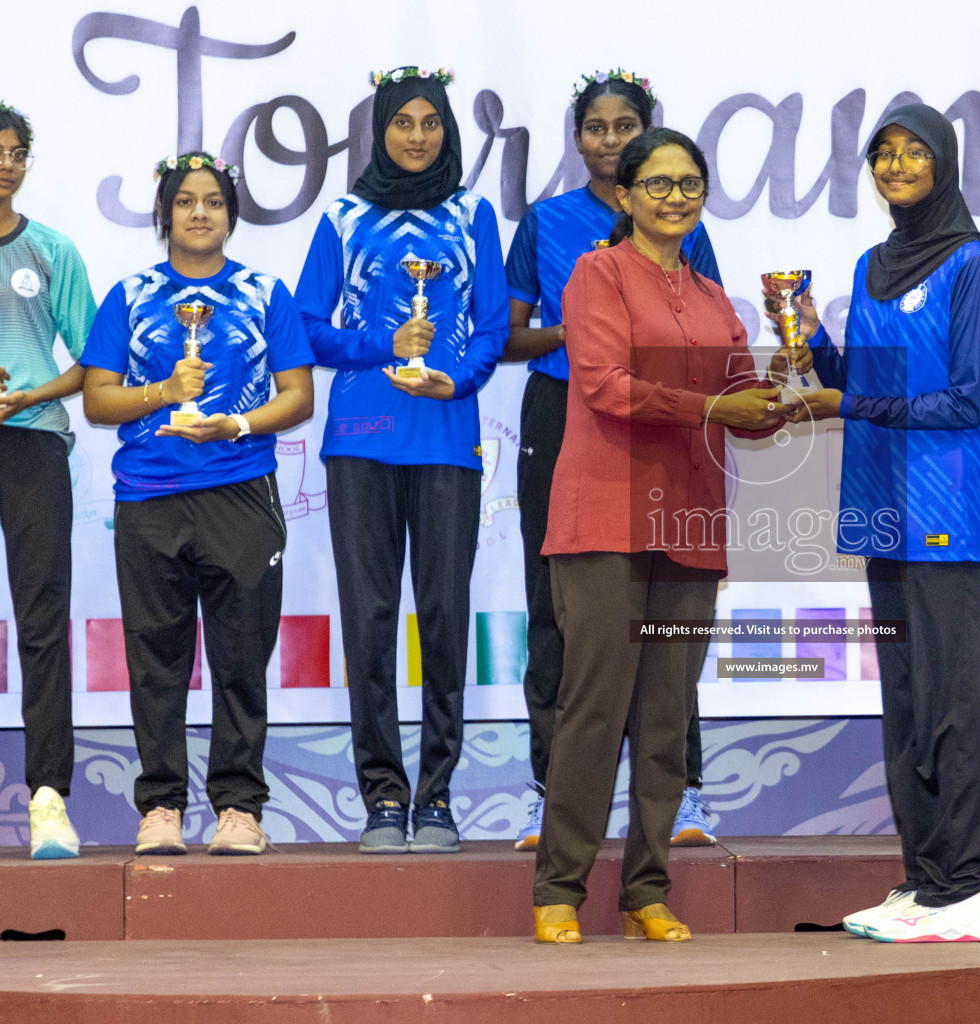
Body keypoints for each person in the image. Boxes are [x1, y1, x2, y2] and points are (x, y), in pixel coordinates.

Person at [531, 127, 801, 943]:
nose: (675, 196)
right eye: (658, 183)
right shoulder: (597, 274)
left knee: (666, 714)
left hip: (690, 525)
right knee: (594, 708)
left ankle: (648, 889)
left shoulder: (717, 298)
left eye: (689, 183)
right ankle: (559, 889)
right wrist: (716, 407)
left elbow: (744, 410)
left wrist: (789, 374)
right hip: (606, 519)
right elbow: (609, 388)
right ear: (624, 195)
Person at [774, 104, 980, 942]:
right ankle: (924, 880)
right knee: (905, 702)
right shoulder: (873, 263)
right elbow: (855, 383)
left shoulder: (973, 265)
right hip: (878, 506)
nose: (898, 165)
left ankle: (969, 886)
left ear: (942, 163)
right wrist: (807, 343)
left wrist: (849, 397)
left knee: (953, 699)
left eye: (914, 152)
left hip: (943, 508)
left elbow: (964, 401)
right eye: (884, 154)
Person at [502, 69, 720, 852]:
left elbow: (712, 336)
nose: (609, 139)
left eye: (624, 126)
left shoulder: (682, 224)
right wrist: (590, 334)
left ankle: (682, 791)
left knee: (671, 606)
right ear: (578, 138)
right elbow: (508, 336)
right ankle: (545, 788)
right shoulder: (548, 222)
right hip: (566, 412)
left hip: (666, 421)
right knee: (561, 611)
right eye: (595, 127)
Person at [296, 67, 509, 854]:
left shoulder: (472, 214)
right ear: (379, 130)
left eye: (430, 122)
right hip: (361, 439)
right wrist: (379, 345)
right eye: (402, 122)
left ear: (447, 131)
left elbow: (493, 324)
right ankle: (383, 796)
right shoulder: (344, 217)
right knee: (371, 617)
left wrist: (462, 375)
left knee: (445, 616)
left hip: (448, 435)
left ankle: (439, 797)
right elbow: (309, 327)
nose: (417, 135)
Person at [80, 152, 315, 856]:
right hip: (150, 495)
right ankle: (160, 806)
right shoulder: (131, 293)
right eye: (186, 201)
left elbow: (298, 396)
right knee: (156, 659)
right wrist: (163, 396)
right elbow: (97, 399)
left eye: (213, 200)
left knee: (241, 658)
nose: (200, 213)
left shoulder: (264, 292)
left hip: (241, 494)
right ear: (165, 214)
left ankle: (239, 807)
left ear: (231, 214)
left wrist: (235, 423)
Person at [0, 101, 94, 859]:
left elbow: (93, 364)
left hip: (32, 448)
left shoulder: (53, 250)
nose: (4, 163)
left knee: (41, 622)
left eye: (14, 151)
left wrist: (31, 394)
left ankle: (48, 798)